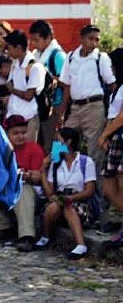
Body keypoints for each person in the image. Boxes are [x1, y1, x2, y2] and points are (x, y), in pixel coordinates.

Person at [56, 24, 116, 171]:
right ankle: (57, 177)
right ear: (81, 39)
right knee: (61, 141)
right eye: (90, 39)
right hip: (75, 107)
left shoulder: (101, 58)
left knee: (94, 150)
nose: (94, 43)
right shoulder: (70, 57)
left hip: (94, 106)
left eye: (97, 40)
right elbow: (67, 87)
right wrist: (62, 113)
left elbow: (112, 85)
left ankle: (96, 190)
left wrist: (113, 112)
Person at [0, 115, 45, 251]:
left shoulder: (34, 149)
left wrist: (24, 175)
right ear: (6, 134)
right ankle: (3, 226)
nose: (20, 136)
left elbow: (38, 177)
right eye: (16, 133)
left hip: (31, 194)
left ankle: (26, 236)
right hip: (6, 191)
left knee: (22, 188)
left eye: (23, 133)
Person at [38, 127, 96, 259]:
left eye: (58, 140)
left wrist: (70, 198)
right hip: (59, 200)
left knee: (68, 205)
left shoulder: (86, 162)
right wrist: (43, 170)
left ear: (68, 142)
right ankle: (46, 236)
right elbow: (50, 192)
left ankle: (81, 245)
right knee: (54, 206)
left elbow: (89, 190)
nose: (55, 144)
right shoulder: (56, 163)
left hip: (79, 203)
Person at [97, 47, 123, 245]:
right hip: (115, 138)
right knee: (109, 187)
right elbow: (112, 114)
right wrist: (106, 135)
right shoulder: (118, 89)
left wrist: (106, 133)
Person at [29, 19, 66, 149]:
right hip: (42, 106)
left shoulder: (58, 56)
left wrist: (50, 80)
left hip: (55, 105)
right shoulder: (36, 55)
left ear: (48, 38)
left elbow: (66, 82)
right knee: (42, 141)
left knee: (53, 142)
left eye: (37, 40)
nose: (33, 44)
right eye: (32, 40)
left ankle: (54, 166)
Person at [3, 29, 45, 143]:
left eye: (9, 48)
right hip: (13, 116)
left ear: (18, 48)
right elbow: (9, 83)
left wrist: (12, 90)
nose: (7, 52)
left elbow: (28, 96)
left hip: (28, 118)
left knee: (28, 152)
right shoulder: (15, 64)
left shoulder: (35, 67)